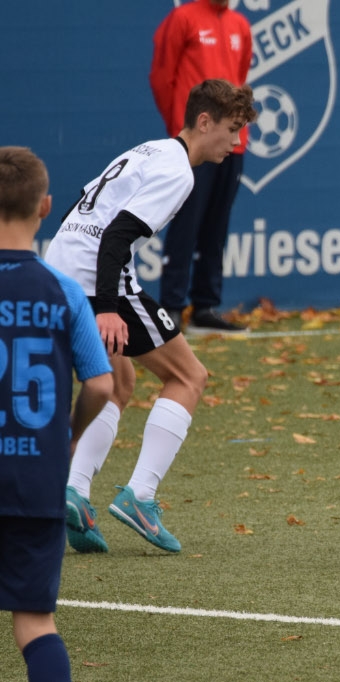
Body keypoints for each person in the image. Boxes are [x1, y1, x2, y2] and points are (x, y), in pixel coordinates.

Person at [44, 79, 257, 554]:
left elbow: (81, 208)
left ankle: (74, 491)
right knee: (189, 376)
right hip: (97, 278)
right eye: (232, 129)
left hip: (64, 267)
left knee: (117, 382)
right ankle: (140, 496)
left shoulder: (150, 149)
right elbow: (115, 237)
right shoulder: (178, 172)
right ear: (205, 122)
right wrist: (105, 308)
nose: (236, 141)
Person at [0, 147, 113, 681]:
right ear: (45, 207)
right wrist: (69, 433)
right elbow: (101, 384)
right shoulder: (64, 291)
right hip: (36, 476)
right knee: (35, 621)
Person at [150, 0, 252, 334]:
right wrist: (183, 131)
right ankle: (172, 307)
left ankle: (205, 307)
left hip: (232, 144)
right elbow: (162, 77)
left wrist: (234, 131)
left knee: (216, 226)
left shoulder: (240, 25)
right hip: (194, 144)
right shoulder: (183, 18)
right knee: (186, 222)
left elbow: (239, 83)